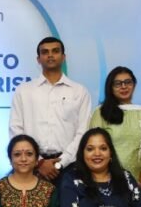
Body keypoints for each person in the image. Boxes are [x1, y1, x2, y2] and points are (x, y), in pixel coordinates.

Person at [9, 37, 92, 182]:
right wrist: (39, 162)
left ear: (63, 57)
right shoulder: (24, 91)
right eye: (45, 52)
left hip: (70, 167)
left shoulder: (79, 91)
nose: (50, 55)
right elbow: (16, 129)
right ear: (38, 59)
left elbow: (83, 132)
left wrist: (61, 163)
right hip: (32, 167)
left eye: (55, 51)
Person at [89, 66, 141, 187]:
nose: (124, 86)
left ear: (134, 85)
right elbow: (93, 150)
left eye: (128, 82)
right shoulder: (100, 112)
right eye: (118, 84)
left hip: (137, 183)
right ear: (110, 87)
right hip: (106, 182)